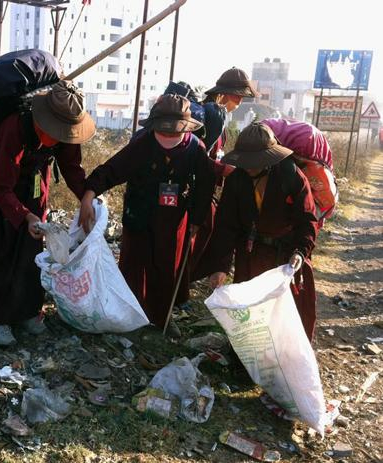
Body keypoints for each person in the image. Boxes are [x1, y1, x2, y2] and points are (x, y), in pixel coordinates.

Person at [0, 81, 96, 346]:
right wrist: (24, 216)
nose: (58, 138)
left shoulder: (67, 129)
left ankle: (26, 311)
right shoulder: (15, 126)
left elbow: (71, 167)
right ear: (42, 120)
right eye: (54, 133)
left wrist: (87, 199)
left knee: (30, 248)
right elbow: (1, 188)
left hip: (34, 181)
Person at [78, 94, 215, 334]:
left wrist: (196, 219)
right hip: (139, 212)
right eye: (164, 131)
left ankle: (161, 318)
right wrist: (89, 194)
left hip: (174, 219)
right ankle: (130, 314)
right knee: (133, 264)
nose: (169, 136)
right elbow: (113, 169)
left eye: (175, 132)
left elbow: (205, 186)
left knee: (166, 267)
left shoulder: (196, 149)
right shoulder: (142, 144)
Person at [208, 123, 318, 340]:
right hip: (249, 255)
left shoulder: (291, 176)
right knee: (248, 313)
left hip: (284, 257)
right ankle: (246, 360)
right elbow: (225, 226)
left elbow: (307, 220)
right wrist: (220, 266)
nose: (249, 167)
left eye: (254, 162)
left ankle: (283, 360)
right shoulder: (237, 179)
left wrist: (300, 251)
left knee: (282, 315)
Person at [189, 67, 260, 282]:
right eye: (237, 97)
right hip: (193, 188)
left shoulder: (218, 119)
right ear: (225, 93)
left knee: (206, 233)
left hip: (207, 187)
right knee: (197, 235)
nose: (238, 103)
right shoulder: (210, 115)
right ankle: (181, 286)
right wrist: (223, 170)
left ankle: (188, 282)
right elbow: (197, 157)